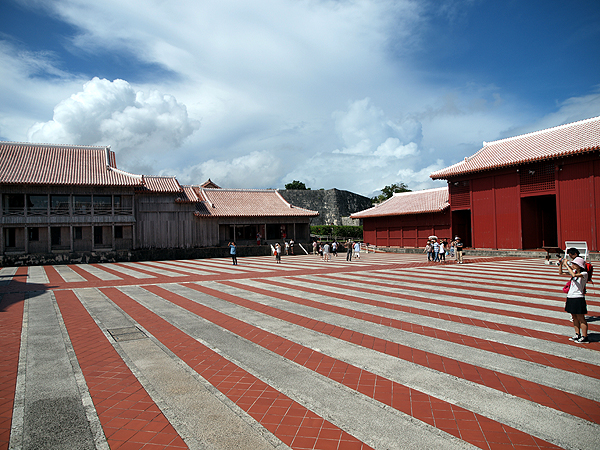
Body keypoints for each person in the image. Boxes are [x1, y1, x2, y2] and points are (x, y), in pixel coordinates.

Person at [559, 249, 589, 343]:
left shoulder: (584, 274)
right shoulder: (575, 273)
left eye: (574, 264)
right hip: (571, 296)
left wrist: (567, 265)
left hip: (578, 297)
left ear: (579, 265)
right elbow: (561, 273)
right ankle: (577, 334)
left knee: (581, 318)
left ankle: (584, 336)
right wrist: (561, 264)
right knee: (574, 317)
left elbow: (572, 273)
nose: (572, 265)